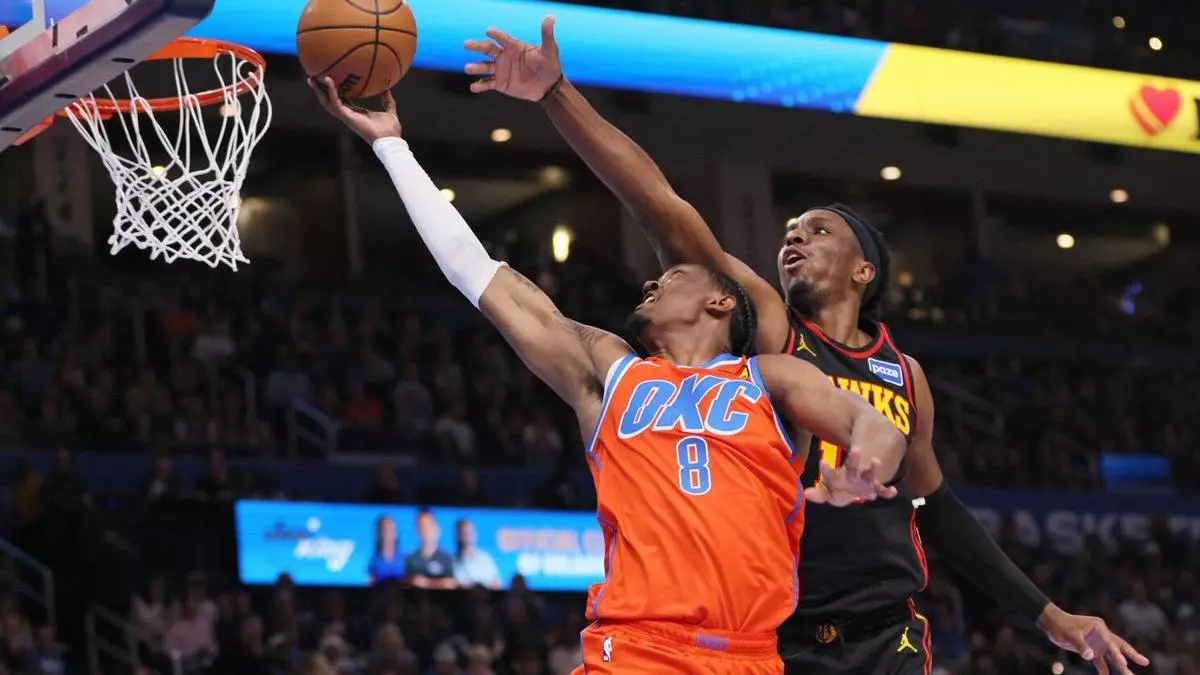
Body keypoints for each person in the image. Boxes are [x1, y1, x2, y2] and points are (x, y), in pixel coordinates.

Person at [462, 17, 1151, 675]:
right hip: (778, 635)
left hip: (887, 634)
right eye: (791, 228)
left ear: (864, 270)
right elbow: (659, 207)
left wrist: (1047, 613)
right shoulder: (772, 331)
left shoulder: (905, 375)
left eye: (819, 230)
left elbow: (936, 508)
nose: (795, 235)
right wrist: (557, 94)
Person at [309, 76, 908, 675]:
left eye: (672, 278)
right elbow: (478, 272)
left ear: (721, 302)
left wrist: (865, 466)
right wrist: (391, 146)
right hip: (635, 650)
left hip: (748, 655)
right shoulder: (610, 371)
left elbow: (872, 423)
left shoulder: (771, 378)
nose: (651, 282)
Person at [405, 510, 458, 589]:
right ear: (417, 530)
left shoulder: (447, 558)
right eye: (422, 527)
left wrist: (426, 583)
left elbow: (450, 584)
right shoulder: (411, 559)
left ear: (437, 528)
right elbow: (409, 584)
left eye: (429, 526)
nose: (426, 531)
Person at [454, 519, 502, 589]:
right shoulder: (453, 562)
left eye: (470, 532)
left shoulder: (485, 558)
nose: (468, 536)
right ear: (458, 535)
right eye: (464, 533)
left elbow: (496, 583)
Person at [367, 515, 405, 585]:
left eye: (390, 528)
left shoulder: (405, 560)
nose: (387, 532)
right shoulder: (374, 562)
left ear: (396, 532)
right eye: (384, 529)